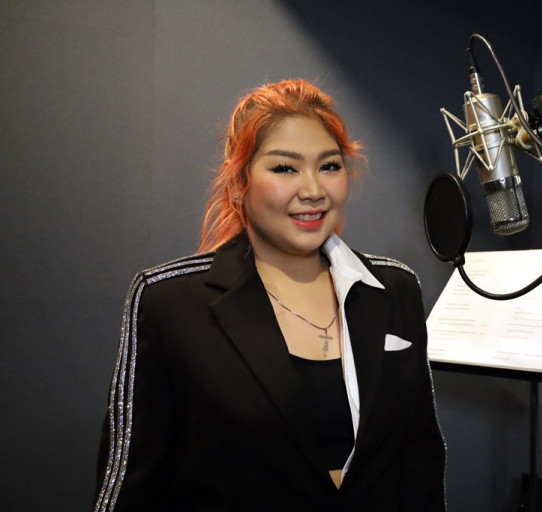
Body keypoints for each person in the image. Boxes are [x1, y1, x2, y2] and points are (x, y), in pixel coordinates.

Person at [94, 79, 447, 511]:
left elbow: (420, 460)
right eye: (285, 168)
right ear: (238, 182)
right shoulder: (167, 301)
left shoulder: (394, 289)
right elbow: (127, 488)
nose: (313, 190)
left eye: (329, 166)